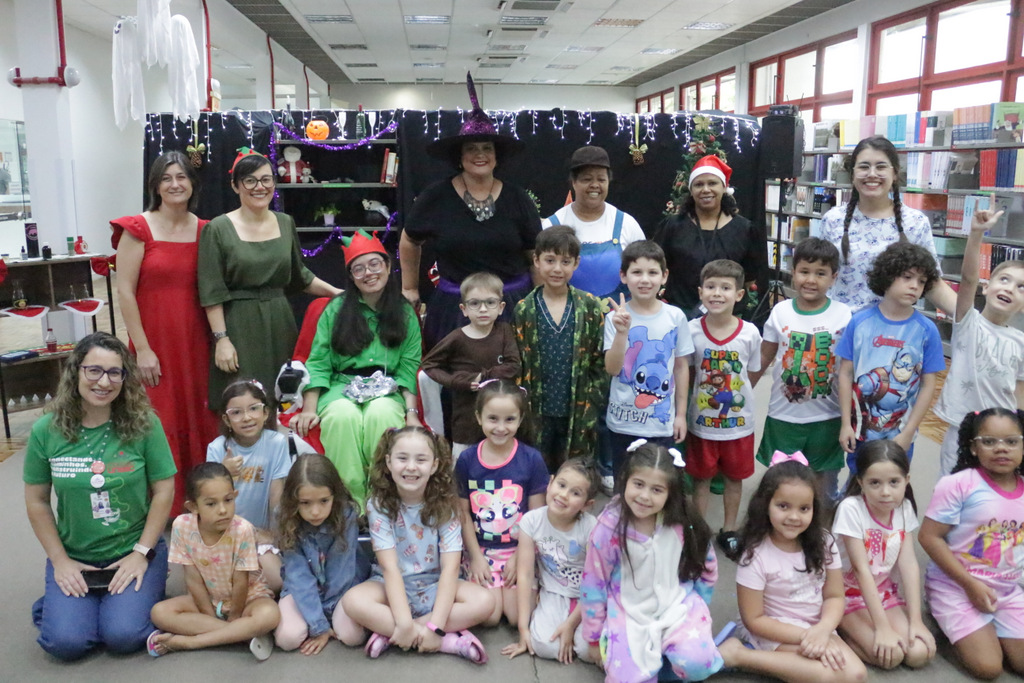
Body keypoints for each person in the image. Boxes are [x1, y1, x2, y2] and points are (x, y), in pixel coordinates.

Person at [24, 332, 176, 660]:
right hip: (75, 554)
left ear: (125, 378)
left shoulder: (144, 424)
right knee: (65, 644)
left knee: (123, 636)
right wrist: (60, 561)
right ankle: (67, 606)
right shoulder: (46, 430)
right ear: (76, 371)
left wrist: (141, 552)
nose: (104, 382)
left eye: (114, 373)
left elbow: (165, 490)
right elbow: (37, 500)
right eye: (94, 370)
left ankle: (123, 596)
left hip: (134, 549)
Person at [111, 150, 219, 515]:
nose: (174, 184)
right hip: (154, 343)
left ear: (193, 183)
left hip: (196, 342)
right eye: (166, 178)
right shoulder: (137, 229)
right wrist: (142, 349)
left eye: (181, 177)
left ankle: (203, 501)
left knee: (200, 417)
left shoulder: (206, 230)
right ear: (155, 186)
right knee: (160, 419)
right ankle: (163, 507)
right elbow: (125, 292)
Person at [400, 73, 541, 350]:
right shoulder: (436, 196)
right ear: (460, 156)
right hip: (455, 308)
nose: (480, 154)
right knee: (456, 372)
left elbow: (534, 254)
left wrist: (540, 300)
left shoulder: (517, 198)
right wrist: (409, 288)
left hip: (510, 306)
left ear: (497, 156)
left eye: (487, 148)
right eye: (472, 148)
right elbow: (409, 239)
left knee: (510, 372)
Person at [198, 151, 340, 411]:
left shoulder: (285, 223)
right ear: (235, 186)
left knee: (284, 397)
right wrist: (222, 339)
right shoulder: (217, 228)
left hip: (280, 322)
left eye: (266, 179)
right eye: (250, 180)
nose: (259, 187)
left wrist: (337, 293)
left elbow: (300, 276)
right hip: (238, 325)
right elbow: (212, 289)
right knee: (243, 400)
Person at [293, 231, 422, 511]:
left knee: (382, 415)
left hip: (386, 387)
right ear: (351, 276)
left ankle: (382, 503)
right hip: (341, 385)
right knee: (342, 417)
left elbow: (409, 367)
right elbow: (319, 362)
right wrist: (309, 408)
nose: (368, 273)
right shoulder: (336, 309)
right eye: (359, 268)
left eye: (375, 264)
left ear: (388, 266)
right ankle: (349, 506)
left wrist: (411, 413)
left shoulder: (404, 312)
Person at [342, 426, 493, 663]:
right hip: (391, 584)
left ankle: (398, 635)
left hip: (435, 583)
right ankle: (446, 641)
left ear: (434, 465)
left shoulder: (447, 504)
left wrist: (435, 626)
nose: (411, 467)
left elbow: (451, 568)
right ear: (389, 462)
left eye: (421, 460)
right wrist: (404, 622)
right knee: (353, 601)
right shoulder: (378, 505)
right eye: (402, 458)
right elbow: (389, 568)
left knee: (485, 602)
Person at [716, 453, 867, 683]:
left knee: (857, 674)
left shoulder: (824, 543)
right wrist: (808, 636)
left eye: (804, 508)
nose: (794, 517)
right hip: (773, 628)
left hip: (817, 625)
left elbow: (835, 596)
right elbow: (754, 619)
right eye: (783, 506)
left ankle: (754, 657)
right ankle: (739, 655)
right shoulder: (756, 555)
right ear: (765, 505)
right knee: (828, 675)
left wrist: (823, 630)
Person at [580, 440, 723, 682]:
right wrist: (593, 638)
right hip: (627, 614)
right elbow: (593, 584)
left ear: (670, 492)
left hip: (677, 607)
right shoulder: (608, 528)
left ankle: (669, 659)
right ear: (625, 480)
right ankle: (643, 659)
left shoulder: (684, 521)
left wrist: (700, 604)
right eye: (638, 484)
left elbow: (707, 564)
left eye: (657, 490)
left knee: (698, 665)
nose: (644, 496)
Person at [918, 408, 1024, 679]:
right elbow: (929, 536)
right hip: (956, 586)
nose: (1001, 448)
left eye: (1012, 441)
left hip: (1007, 589)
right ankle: (946, 622)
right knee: (988, 667)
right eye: (989, 441)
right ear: (973, 448)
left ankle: (991, 631)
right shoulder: (958, 484)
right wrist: (969, 584)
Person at [752, 238, 851, 501]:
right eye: (804, 271)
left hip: (827, 417)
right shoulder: (780, 311)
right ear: (793, 272)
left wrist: (850, 418)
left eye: (821, 274)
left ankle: (822, 526)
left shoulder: (844, 315)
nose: (811, 280)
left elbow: (849, 369)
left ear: (834, 278)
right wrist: (744, 388)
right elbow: (765, 355)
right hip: (783, 416)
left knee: (823, 489)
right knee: (781, 484)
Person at [147, 462, 280, 660]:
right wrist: (208, 614)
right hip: (207, 600)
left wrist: (235, 616)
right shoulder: (182, 526)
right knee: (159, 612)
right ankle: (241, 635)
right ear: (193, 507)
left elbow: (241, 581)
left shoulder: (243, 530)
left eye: (228, 500)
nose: (223, 510)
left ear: (235, 495)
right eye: (211, 504)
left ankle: (191, 642)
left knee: (270, 614)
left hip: (248, 598)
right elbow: (192, 577)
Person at [837, 241, 944, 471]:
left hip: (900, 434)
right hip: (861, 430)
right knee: (858, 481)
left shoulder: (927, 330)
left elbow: (928, 385)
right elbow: (845, 374)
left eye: (921, 281)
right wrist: (845, 424)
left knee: (893, 483)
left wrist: (909, 432)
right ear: (887, 276)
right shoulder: (859, 322)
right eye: (907, 277)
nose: (914, 286)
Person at [933, 203, 1024, 475]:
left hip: (1001, 433)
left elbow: (1020, 394)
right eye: (1004, 279)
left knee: (992, 492)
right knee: (953, 490)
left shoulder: (1020, 342)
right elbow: (968, 278)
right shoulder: (968, 322)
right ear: (987, 287)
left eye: (1021, 287)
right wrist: (976, 234)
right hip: (963, 428)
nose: (1010, 288)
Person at [821, 135, 956, 314]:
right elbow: (818, 274)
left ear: (895, 174)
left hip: (892, 327)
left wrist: (973, 320)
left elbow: (932, 283)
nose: (872, 174)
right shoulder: (833, 219)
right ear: (852, 174)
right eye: (864, 166)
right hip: (839, 325)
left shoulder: (915, 223)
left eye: (881, 167)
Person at [831, 441, 935, 670]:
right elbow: (860, 570)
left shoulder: (904, 508)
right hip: (845, 593)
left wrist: (916, 621)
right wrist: (882, 627)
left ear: (906, 480)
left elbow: (909, 564)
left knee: (918, 653)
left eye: (894, 482)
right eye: (875, 483)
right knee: (891, 656)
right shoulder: (850, 509)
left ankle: (865, 631)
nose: (885, 492)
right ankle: (841, 631)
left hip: (881, 590)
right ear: (861, 482)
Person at [686, 259, 762, 562]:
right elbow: (687, 373)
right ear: (700, 292)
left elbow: (751, 373)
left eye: (726, 288)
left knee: (734, 478)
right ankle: (699, 531)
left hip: (738, 426)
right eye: (711, 287)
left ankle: (729, 530)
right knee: (700, 479)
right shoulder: (691, 331)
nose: (717, 293)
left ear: (739, 294)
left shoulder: (750, 333)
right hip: (701, 424)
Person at [456, 379, 549, 627]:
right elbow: (463, 515)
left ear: (520, 419)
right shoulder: (466, 460)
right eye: (493, 418)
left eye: (509, 419)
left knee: (518, 616)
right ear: (479, 417)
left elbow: (537, 516)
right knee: (490, 616)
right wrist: (476, 557)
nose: (500, 427)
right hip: (481, 550)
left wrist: (519, 557)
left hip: (521, 548)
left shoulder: (532, 459)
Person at [514, 226, 607, 472]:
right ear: (536, 260)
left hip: (578, 408)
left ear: (576, 263)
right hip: (537, 408)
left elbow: (600, 360)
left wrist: (592, 401)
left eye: (565, 261)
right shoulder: (524, 309)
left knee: (575, 473)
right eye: (550, 260)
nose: (557, 268)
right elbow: (518, 361)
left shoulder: (589, 306)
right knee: (537, 471)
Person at [605, 241, 693, 476]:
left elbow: (681, 367)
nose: (645, 280)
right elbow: (612, 369)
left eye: (652, 272)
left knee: (658, 481)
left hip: (661, 423)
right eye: (637, 272)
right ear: (623, 276)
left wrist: (681, 415)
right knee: (624, 482)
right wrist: (621, 333)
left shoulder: (675, 317)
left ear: (664, 276)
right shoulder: (614, 318)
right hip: (623, 422)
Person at [502, 457, 598, 664]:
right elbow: (525, 574)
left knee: (586, 650)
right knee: (542, 645)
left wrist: (571, 624)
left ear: (587, 505)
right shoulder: (531, 521)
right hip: (554, 591)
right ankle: (561, 626)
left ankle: (576, 630)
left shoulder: (591, 528)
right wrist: (523, 629)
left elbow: (596, 581)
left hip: (588, 595)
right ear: (550, 482)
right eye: (561, 485)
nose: (563, 495)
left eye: (575, 493)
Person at [274, 454, 369, 654]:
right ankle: (311, 622)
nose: (315, 511)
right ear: (293, 500)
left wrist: (325, 615)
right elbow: (297, 574)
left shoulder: (346, 514)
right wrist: (319, 624)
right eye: (305, 503)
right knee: (287, 639)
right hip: (302, 590)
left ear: (335, 495)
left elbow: (342, 571)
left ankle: (327, 620)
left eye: (324, 501)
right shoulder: (285, 517)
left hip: (342, 589)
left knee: (352, 636)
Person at [421, 272, 522, 458]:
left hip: (499, 418)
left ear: (501, 307)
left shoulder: (504, 331)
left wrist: (484, 377)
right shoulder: (457, 338)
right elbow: (429, 365)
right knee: (462, 462)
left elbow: (513, 365)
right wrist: (458, 381)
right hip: (466, 418)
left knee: (500, 458)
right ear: (464, 309)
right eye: (475, 303)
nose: (483, 309)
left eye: (490, 302)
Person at [655, 154, 768, 318]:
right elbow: (657, 266)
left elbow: (749, 277)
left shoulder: (745, 229)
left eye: (712, 183)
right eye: (699, 184)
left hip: (727, 318)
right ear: (691, 190)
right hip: (680, 316)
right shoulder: (673, 226)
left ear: (724, 187)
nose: (706, 189)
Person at [206, 379, 291, 592]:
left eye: (254, 409)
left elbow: (276, 493)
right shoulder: (217, 448)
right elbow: (210, 501)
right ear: (226, 419)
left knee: (277, 580)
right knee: (215, 578)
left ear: (266, 413)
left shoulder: (276, 442)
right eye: (236, 412)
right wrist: (223, 473)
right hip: (226, 533)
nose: (246, 417)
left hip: (262, 533)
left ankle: (243, 588)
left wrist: (275, 534)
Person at [541, 145, 645, 303]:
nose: (595, 185)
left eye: (601, 179)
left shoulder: (626, 224)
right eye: (587, 179)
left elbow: (644, 272)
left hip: (619, 315)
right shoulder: (553, 225)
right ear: (574, 182)